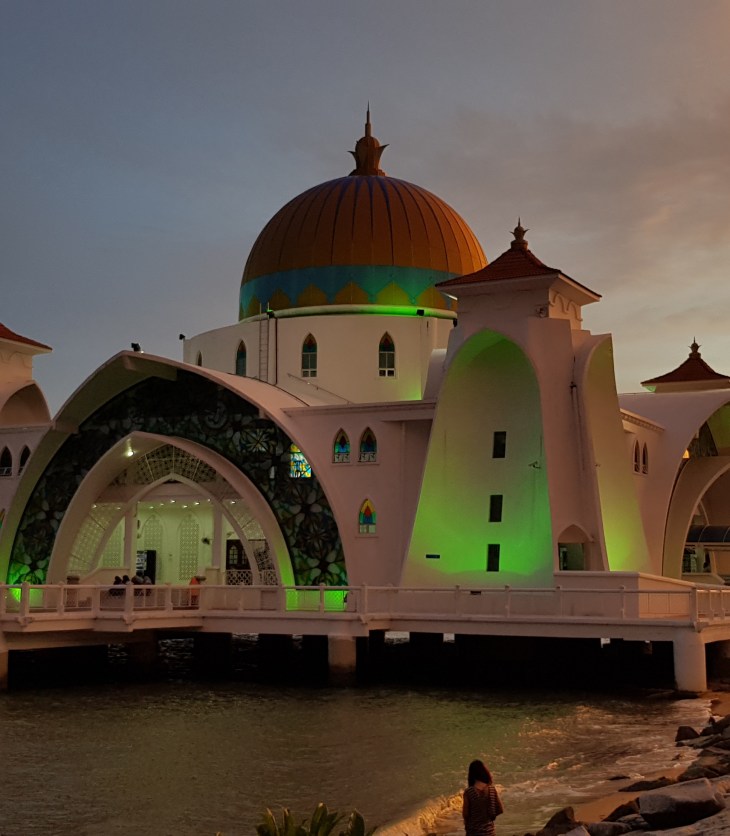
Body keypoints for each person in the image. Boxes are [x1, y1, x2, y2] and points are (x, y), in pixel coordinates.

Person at [462, 759, 503, 836]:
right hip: (490, 833)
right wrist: (489, 817)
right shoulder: (492, 789)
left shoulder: (469, 792)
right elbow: (500, 810)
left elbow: (466, 814)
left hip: (473, 833)